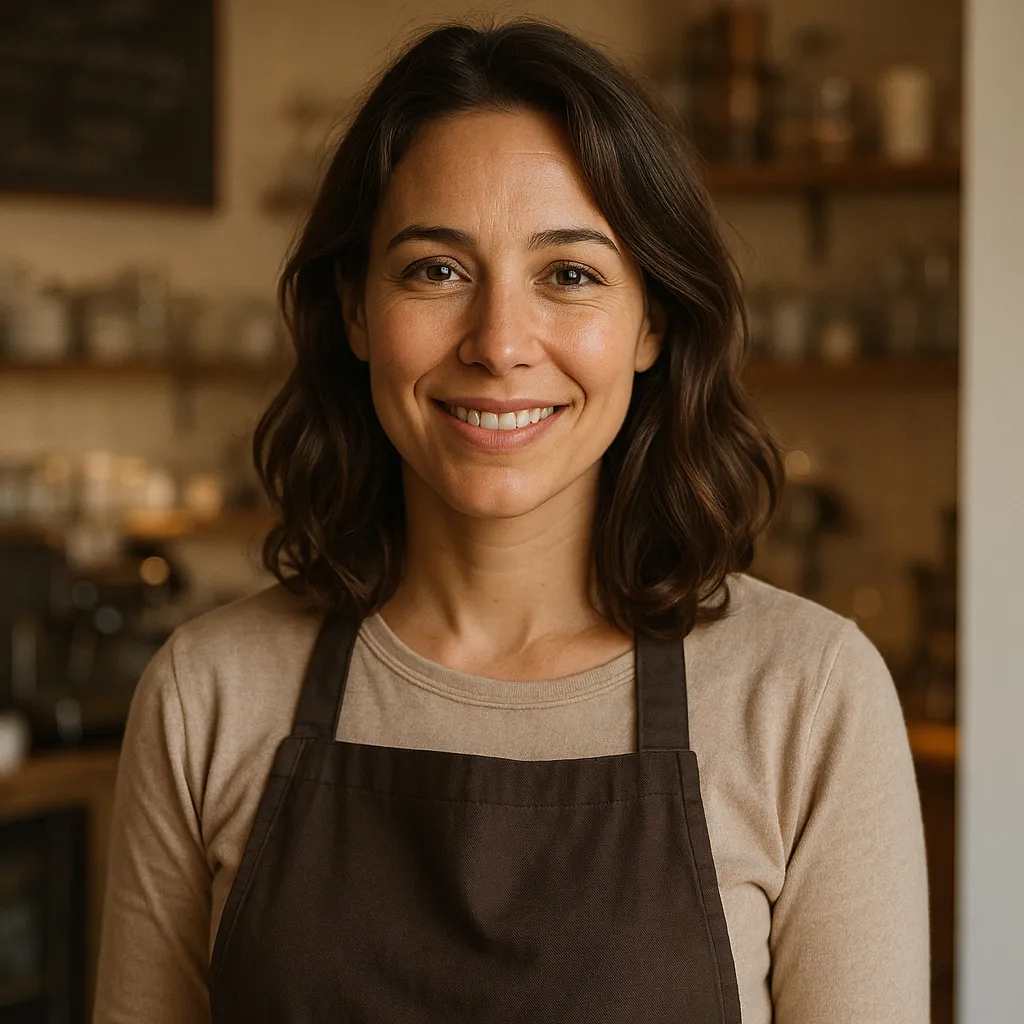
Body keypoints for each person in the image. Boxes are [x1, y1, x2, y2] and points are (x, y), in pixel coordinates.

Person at [93, 19, 929, 1024]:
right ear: (356, 311)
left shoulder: (805, 696)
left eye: (568, 274)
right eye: (434, 270)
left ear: (650, 321)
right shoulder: (208, 693)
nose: (497, 343)